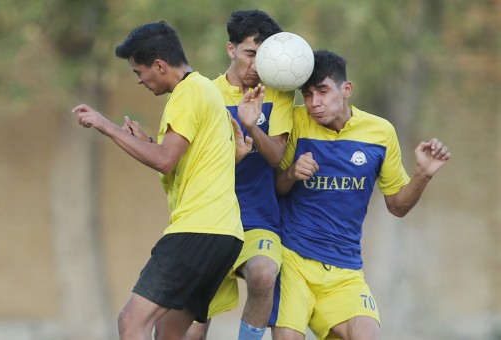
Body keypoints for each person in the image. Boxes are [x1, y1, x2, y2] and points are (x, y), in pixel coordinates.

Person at [71, 21, 244, 340]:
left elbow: (165, 161)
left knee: (131, 321)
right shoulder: (205, 89)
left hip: (196, 229)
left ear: (160, 65)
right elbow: (181, 160)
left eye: (138, 72)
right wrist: (148, 142)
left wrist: (105, 126)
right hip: (224, 234)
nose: (138, 80)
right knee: (169, 332)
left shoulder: (186, 94)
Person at [267, 50, 451, 340]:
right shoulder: (295, 122)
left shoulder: (380, 133)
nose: (314, 102)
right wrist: (290, 174)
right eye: (308, 94)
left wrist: (423, 174)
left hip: (345, 268)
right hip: (293, 260)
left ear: (346, 89)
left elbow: (397, 206)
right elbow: (272, 190)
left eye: (323, 91)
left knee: (367, 334)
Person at [155, 9, 295, 340]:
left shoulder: (278, 94)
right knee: (193, 329)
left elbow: (276, 157)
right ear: (231, 49)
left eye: (265, 57)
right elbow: (180, 161)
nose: (257, 65)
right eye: (250, 54)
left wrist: (250, 125)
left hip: (257, 220)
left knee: (264, 273)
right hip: (210, 221)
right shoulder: (204, 92)